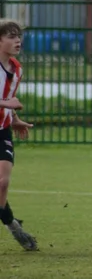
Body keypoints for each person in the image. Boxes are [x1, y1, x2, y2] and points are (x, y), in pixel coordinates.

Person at [0, 20, 36, 252]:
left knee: (2, 182)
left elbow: (8, 100)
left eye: (19, 36)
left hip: (1, 130)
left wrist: (14, 119)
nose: (18, 41)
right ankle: (13, 225)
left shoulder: (17, 69)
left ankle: (12, 224)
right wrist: (7, 103)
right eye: (11, 36)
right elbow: (7, 100)